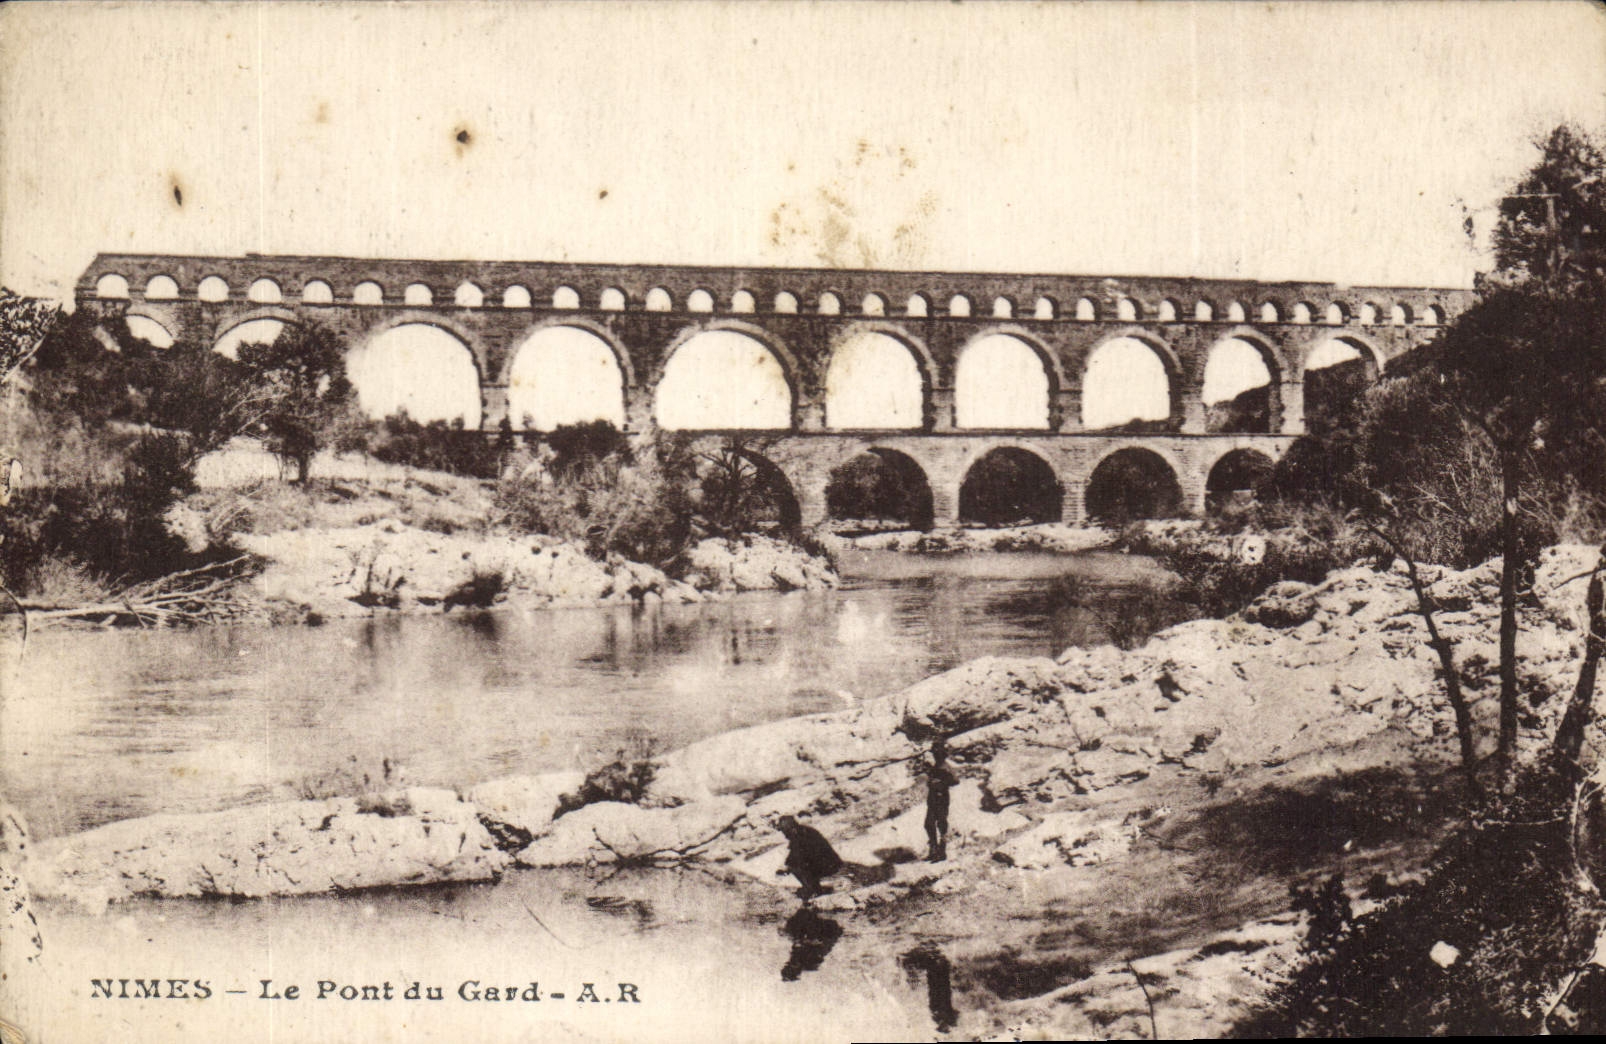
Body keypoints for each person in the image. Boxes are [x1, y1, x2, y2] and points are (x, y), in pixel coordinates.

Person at [775, 814, 843, 900]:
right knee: (797, 864)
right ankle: (815, 888)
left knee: (797, 866)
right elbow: (794, 853)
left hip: (828, 863)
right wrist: (786, 865)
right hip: (826, 861)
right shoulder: (800, 832)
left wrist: (787, 867)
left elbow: (799, 854)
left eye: (784, 831)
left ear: (790, 828)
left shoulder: (801, 835)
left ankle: (812, 890)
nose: (784, 834)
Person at [924, 737, 957, 862]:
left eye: (938, 753)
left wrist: (941, 783)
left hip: (941, 798)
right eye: (935, 753)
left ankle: (941, 852)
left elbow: (955, 780)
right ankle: (934, 850)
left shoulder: (945, 767)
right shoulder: (936, 766)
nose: (936, 755)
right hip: (933, 799)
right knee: (928, 824)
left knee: (941, 824)